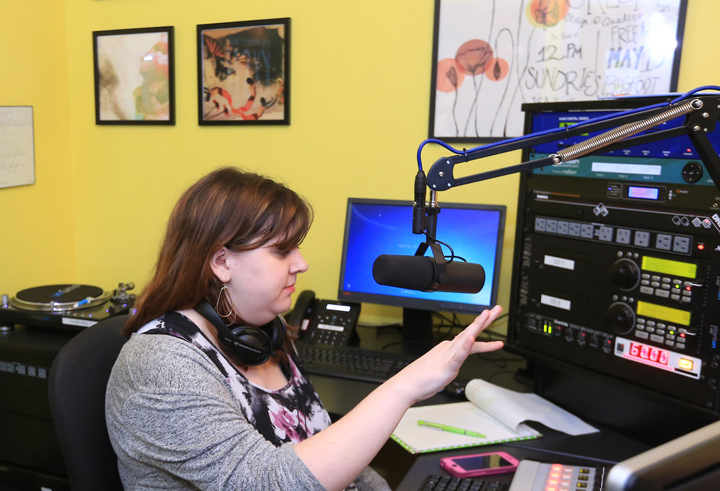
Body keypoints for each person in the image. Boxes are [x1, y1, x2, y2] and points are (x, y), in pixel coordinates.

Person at [105, 167, 504, 490]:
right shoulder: (160, 365)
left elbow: (326, 446)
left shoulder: (264, 331)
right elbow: (266, 483)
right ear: (222, 261)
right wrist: (404, 386)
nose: (301, 263)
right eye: (282, 250)